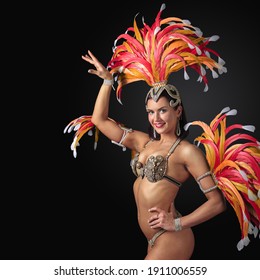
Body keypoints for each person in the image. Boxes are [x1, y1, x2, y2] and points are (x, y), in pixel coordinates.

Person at [64, 3, 260, 259]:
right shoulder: (143, 143)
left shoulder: (187, 152)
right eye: (151, 112)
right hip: (152, 239)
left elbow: (217, 203)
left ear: (178, 111)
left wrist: (177, 223)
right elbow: (100, 121)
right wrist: (107, 82)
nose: (156, 118)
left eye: (163, 110)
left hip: (173, 238)